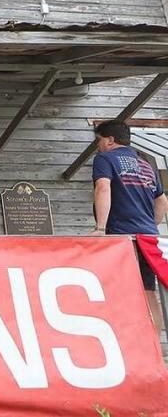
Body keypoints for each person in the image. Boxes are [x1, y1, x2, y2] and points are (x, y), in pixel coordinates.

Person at [91, 120, 168, 334]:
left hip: (122, 237)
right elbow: (162, 202)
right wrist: (150, 224)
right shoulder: (145, 164)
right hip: (148, 239)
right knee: (147, 290)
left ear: (110, 140)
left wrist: (100, 227)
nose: (98, 145)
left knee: (118, 289)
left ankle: (126, 343)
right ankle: (154, 348)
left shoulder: (104, 159)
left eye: (99, 140)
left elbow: (103, 188)